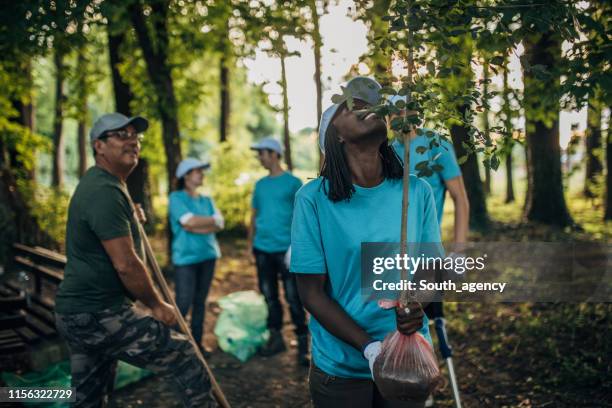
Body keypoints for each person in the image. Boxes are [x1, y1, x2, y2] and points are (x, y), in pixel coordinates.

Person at [290, 76, 442, 408]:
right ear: (337, 135)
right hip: (341, 369)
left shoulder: (416, 192)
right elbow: (310, 292)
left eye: (372, 105)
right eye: (350, 106)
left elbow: (431, 267)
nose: (364, 108)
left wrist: (417, 303)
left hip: (409, 361)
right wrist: (370, 348)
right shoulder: (313, 199)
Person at [54, 113, 216, 408]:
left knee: (89, 398)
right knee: (183, 356)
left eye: (135, 136)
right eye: (121, 135)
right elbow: (126, 264)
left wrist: (130, 214)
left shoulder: (108, 185)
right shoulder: (104, 190)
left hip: (80, 312)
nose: (132, 141)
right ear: (98, 146)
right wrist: (156, 305)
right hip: (98, 312)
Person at [248, 137, 309, 366]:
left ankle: (303, 346)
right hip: (262, 249)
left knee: (294, 298)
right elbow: (254, 216)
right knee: (269, 296)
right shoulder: (260, 185)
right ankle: (276, 340)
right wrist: (249, 246)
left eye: (262, 153)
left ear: (273, 154)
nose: (259, 158)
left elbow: (303, 218)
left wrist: (298, 246)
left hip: (287, 251)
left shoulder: (293, 183)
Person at [169, 157, 224, 356]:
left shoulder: (207, 200)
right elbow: (188, 222)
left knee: (201, 302)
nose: (202, 174)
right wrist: (207, 224)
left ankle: (197, 346)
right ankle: (175, 348)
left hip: (208, 257)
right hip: (185, 260)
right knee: (183, 303)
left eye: (202, 171)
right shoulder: (176, 198)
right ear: (186, 176)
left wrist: (196, 225)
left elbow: (220, 223)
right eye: (198, 171)